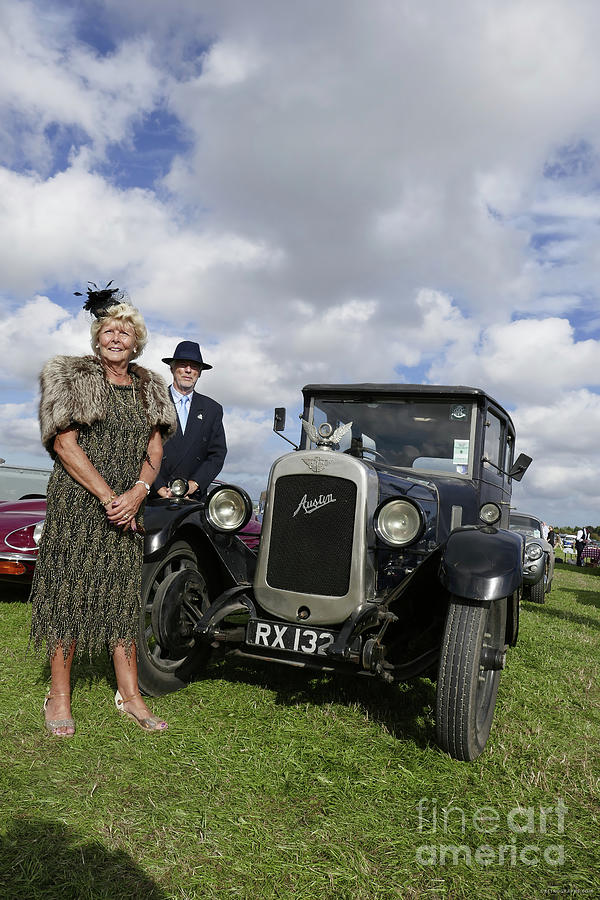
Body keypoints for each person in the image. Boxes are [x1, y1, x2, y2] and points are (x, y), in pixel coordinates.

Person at [30, 284, 177, 736]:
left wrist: (137, 491)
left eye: (125, 333)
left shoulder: (150, 385)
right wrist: (107, 496)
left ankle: (130, 696)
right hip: (78, 503)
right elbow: (64, 443)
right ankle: (58, 696)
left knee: (120, 596)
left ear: (138, 341)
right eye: (108, 331)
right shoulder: (71, 376)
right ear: (97, 337)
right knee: (67, 594)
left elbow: (155, 444)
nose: (116, 338)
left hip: (128, 508)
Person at [153, 340, 227, 499]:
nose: (188, 370)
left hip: (193, 500)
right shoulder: (152, 402)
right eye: (182, 364)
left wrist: (194, 484)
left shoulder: (212, 410)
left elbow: (217, 454)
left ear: (199, 372)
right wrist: (158, 486)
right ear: (172, 368)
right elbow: (141, 449)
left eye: (194, 366)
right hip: (154, 498)